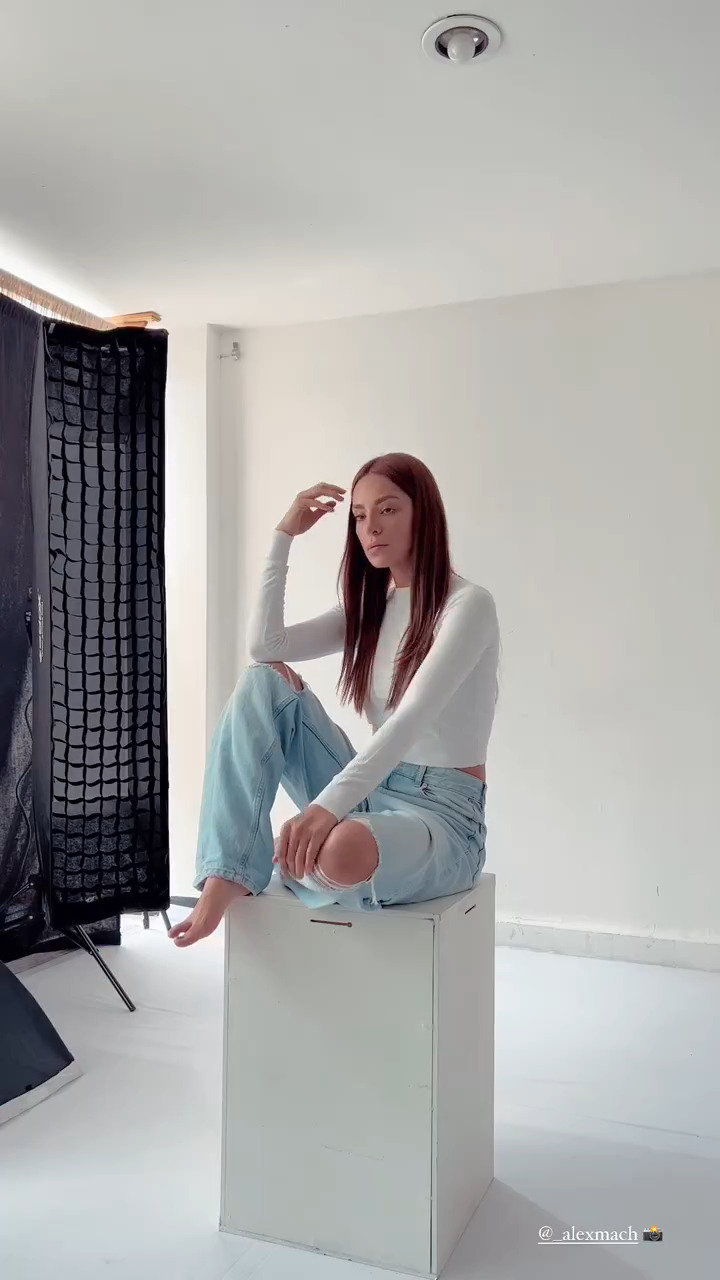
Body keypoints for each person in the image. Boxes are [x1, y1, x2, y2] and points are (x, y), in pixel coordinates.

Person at [169, 453, 499, 948]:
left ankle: (292, 854)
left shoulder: (468, 605)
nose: (371, 528)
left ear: (423, 513)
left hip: (442, 816)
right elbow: (266, 646)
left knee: (339, 849)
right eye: (360, 516)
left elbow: (409, 720)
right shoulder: (371, 607)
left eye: (388, 510)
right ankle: (227, 872)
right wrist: (284, 536)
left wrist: (323, 811)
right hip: (374, 787)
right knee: (262, 682)